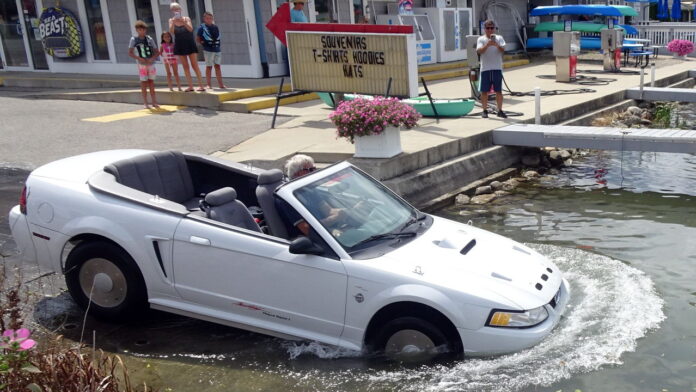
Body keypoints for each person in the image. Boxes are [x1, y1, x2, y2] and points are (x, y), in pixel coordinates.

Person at [281, 154, 348, 236]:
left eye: (315, 168)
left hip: (326, 231)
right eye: (311, 169)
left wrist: (347, 210)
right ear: (298, 173)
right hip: (308, 240)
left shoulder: (310, 189)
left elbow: (328, 211)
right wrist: (334, 218)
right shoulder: (288, 198)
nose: (315, 171)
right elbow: (307, 229)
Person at [169, 2, 206, 92]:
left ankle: (201, 85)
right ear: (172, 11)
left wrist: (183, 22)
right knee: (185, 66)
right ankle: (190, 86)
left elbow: (190, 29)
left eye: (177, 9)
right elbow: (172, 32)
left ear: (180, 10)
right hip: (180, 45)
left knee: (194, 65)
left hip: (189, 44)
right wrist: (173, 23)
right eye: (174, 9)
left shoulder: (186, 18)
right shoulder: (171, 20)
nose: (176, 11)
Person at [476, 19, 507, 119]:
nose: (490, 30)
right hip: (485, 68)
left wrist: (496, 45)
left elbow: (503, 49)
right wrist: (487, 45)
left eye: (491, 28)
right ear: (484, 29)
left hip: (497, 68)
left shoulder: (499, 38)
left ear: (494, 29)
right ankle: (484, 110)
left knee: (499, 91)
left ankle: (500, 110)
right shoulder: (481, 39)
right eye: (487, 28)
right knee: (484, 91)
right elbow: (479, 51)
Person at [128, 20, 160, 109]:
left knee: (151, 82)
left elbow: (157, 52)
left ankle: (154, 102)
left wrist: (152, 58)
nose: (142, 31)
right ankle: (145, 102)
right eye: (139, 30)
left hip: (151, 63)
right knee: (143, 82)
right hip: (142, 64)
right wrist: (138, 58)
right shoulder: (134, 39)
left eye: (143, 30)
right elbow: (130, 53)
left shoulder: (149, 39)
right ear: (137, 30)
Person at [197, 12, 226, 89]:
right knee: (209, 66)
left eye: (210, 18)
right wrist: (204, 44)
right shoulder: (201, 28)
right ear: (204, 19)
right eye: (207, 18)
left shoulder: (215, 27)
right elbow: (198, 39)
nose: (209, 20)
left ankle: (221, 84)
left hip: (217, 49)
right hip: (208, 50)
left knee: (218, 66)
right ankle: (208, 84)